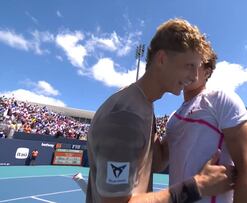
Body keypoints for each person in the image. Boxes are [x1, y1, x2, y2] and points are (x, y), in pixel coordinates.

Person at [86, 18, 234, 203]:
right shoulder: (126, 116)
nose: (194, 76)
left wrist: (178, 134)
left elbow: (155, 164)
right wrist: (198, 186)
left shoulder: (144, 106)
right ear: (162, 59)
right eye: (190, 66)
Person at [159, 50, 247, 202]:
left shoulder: (220, 99)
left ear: (207, 72)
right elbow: (158, 161)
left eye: (194, 64)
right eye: (184, 64)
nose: (187, 70)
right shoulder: (174, 117)